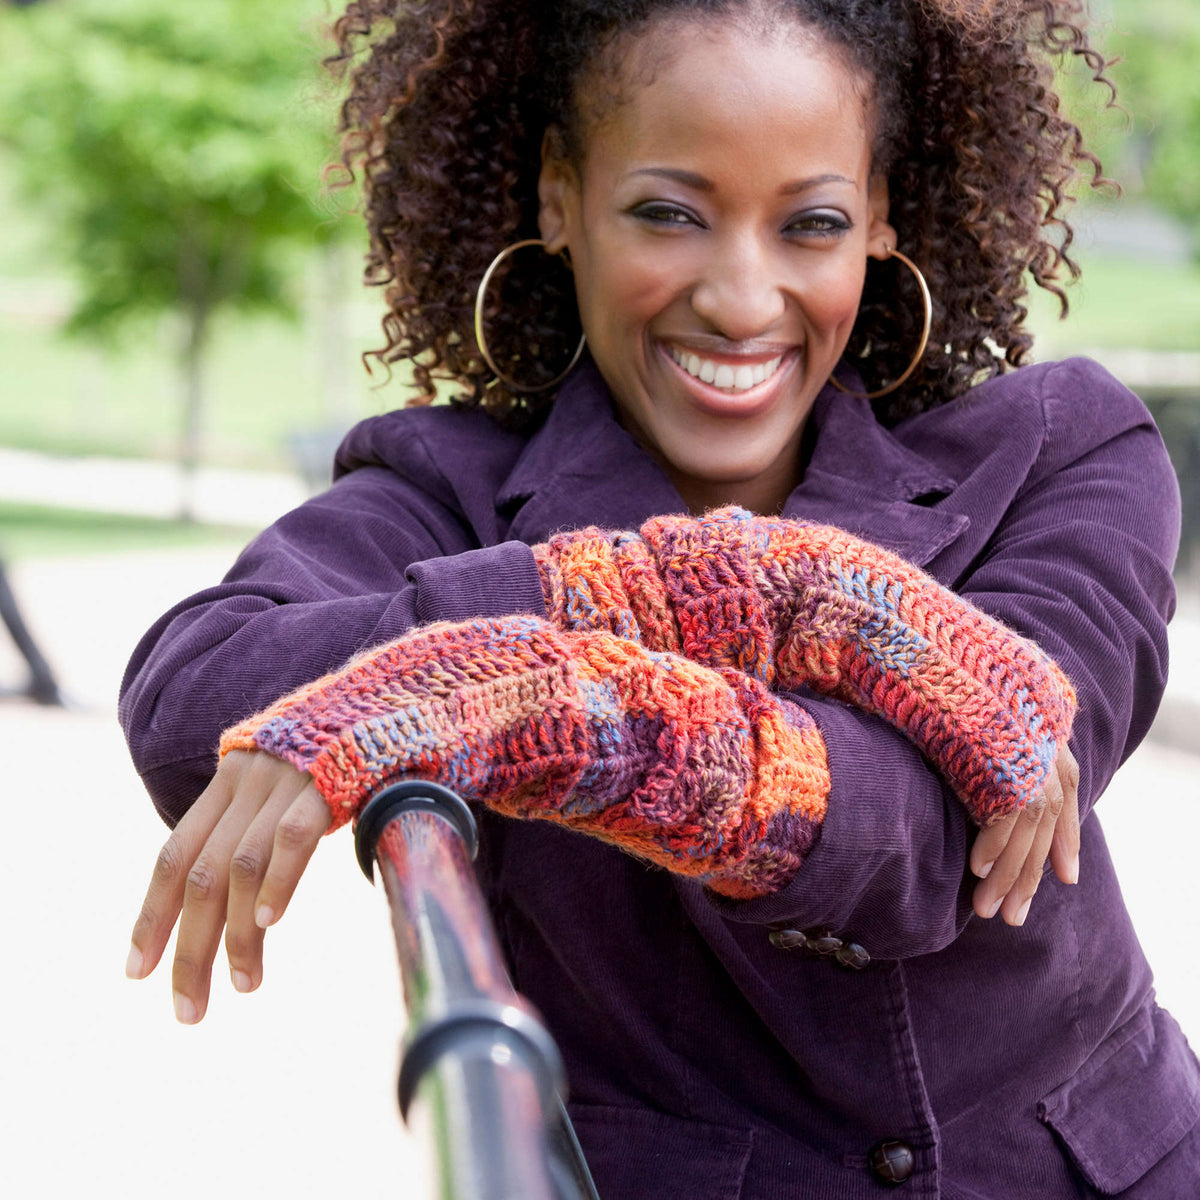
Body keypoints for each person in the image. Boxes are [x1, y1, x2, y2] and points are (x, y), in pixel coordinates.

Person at [120, 1, 1200, 1195]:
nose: (741, 300)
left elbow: (935, 836)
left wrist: (520, 698)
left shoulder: (1065, 451)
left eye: (813, 223)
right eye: (669, 214)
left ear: (881, 216)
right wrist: (739, 591)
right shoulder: (444, 488)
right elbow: (193, 707)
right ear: (558, 197)